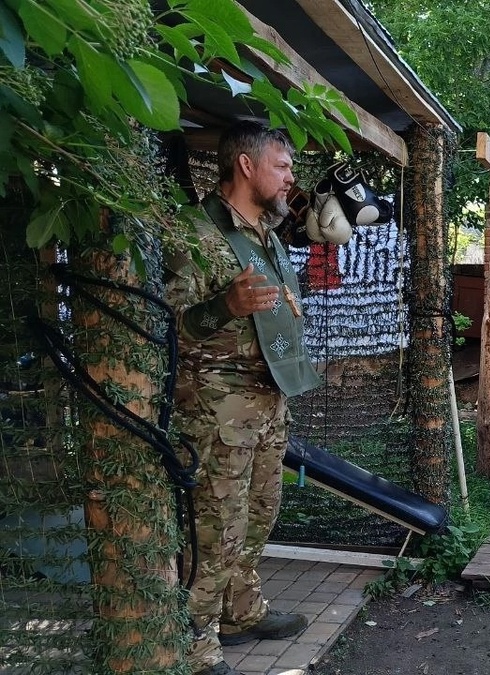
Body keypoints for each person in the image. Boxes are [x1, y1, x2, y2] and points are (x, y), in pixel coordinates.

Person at [166, 121, 323, 675]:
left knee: (258, 516)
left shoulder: (268, 236)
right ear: (247, 166)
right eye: (282, 166)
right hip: (216, 408)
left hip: (268, 401)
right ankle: (195, 645)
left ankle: (240, 611)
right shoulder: (196, 234)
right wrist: (222, 308)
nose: (290, 178)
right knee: (214, 528)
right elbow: (164, 327)